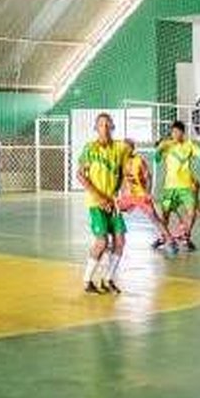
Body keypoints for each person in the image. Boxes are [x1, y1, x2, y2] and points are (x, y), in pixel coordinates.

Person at [76, 113, 130, 295]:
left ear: (112, 127)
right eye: (101, 125)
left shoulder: (119, 149)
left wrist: (122, 195)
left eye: (108, 125)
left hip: (113, 203)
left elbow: (123, 175)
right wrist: (100, 198)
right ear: (96, 128)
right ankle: (87, 281)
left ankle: (108, 279)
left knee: (120, 241)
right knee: (102, 242)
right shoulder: (89, 149)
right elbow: (81, 176)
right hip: (96, 202)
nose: (105, 128)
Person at [154, 121, 200, 251]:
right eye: (173, 132)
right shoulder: (167, 145)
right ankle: (163, 237)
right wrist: (159, 149)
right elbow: (157, 159)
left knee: (192, 212)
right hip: (169, 188)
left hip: (186, 186)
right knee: (165, 214)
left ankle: (186, 237)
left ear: (182, 133)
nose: (175, 134)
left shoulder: (189, 145)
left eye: (177, 131)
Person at [116, 138, 173, 248]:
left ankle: (170, 240)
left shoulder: (139, 160)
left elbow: (148, 177)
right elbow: (119, 179)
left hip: (141, 195)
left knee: (154, 217)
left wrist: (148, 192)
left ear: (132, 149)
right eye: (123, 148)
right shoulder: (121, 162)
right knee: (113, 210)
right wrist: (118, 193)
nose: (124, 150)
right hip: (128, 196)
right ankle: (114, 237)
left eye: (127, 148)